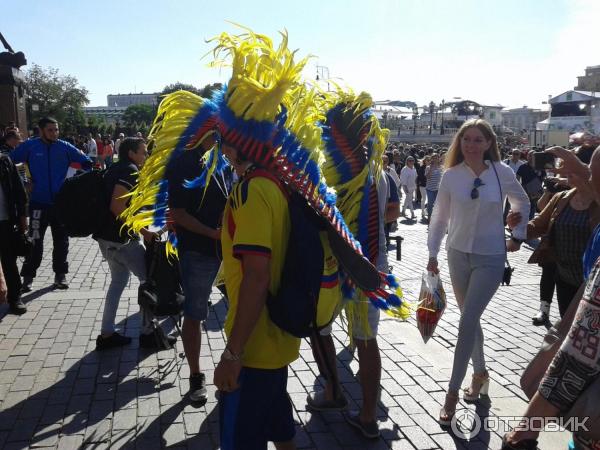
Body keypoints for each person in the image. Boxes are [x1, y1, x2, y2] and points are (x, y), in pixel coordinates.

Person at [426, 119, 529, 425]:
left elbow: (521, 200)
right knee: (470, 319)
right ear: (460, 142)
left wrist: (518, 231)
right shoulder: (451, 176)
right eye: (466, 139)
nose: (471, 144)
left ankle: (452, 393)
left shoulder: (503, 172)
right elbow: (439, 219)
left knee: (467, 320)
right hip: (457, 254)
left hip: (491, 256)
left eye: (477, 139)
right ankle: (481, 373)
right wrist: (432, 253)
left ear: (488, 143)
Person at [502, 145, 600, 450]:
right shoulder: (561, 199)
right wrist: (517, 227)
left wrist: (524, 432)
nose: (567, 173)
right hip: (571, 284)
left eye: (586, 171)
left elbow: (579, 353)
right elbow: (537, 226)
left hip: (587, 295)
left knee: (573, 349)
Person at [166, 134, 228, 403]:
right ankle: (195, 376)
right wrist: (212, 234)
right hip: (199, 251)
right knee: (195, 313)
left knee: (240, 308)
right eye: (215, 129)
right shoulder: (183, 162)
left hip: (229, 252)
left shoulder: (222, 158)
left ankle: (237, 367)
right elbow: (178, 213)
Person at [93, 137, 163, 350]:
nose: (146, 155)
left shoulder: (116, 168)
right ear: (131, 153)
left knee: (117, 283)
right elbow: (117, 206)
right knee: (149, 281)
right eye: (143, 151)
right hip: (122, 240)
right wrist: (144, 232)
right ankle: (148, 333)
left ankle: (106, 334)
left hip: (105, 238)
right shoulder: (130, 171)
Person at [10, 117, 92, 292]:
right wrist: (26, 180)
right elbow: (13, 162)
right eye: (50, 130)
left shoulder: (64, 146)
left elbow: (86, 163)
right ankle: (28, 277)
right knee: (35, 241)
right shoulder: (30, 146)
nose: (55, 133)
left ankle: (60, 275)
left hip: (61, 204)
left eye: (56, 130)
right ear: (41, 130)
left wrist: (74, 184)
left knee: (61, 241)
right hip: (38, 203)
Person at [0, 148, 28, 314]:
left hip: (4, 220)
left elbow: (19, 190)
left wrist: (23, 216)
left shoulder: (4, 161)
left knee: (9, 261)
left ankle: (15, 297)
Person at [425, 152, 442, 220]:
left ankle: (436, 217)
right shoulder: (428, 167)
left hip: (438, 189)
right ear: (432, 159)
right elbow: (428, 177)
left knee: (437, 204)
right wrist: (431, 169)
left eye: (437, 158)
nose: (435, 159)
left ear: (439, 159)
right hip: (430, 189)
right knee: (430, 204)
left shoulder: (441, 167)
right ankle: (429, 217)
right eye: (434, 158)